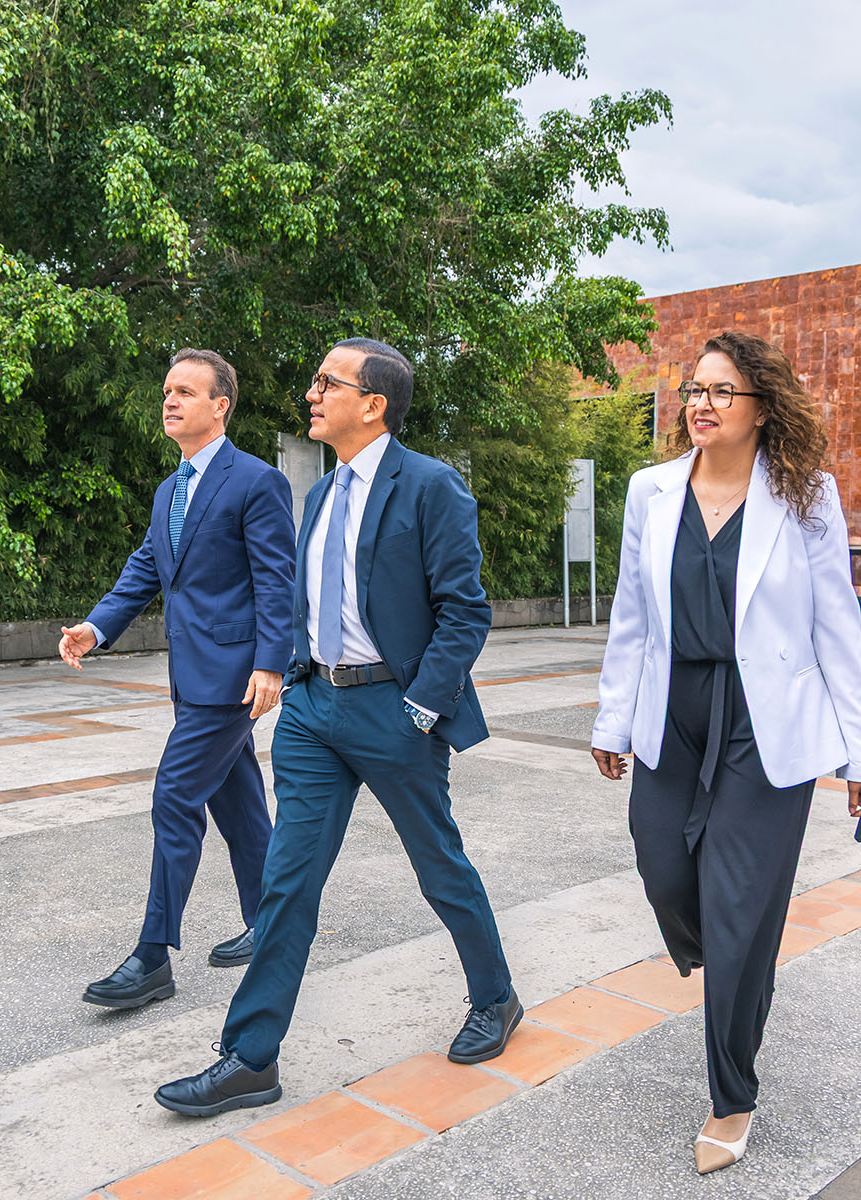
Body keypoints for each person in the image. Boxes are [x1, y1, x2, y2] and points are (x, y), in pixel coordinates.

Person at [153, 337, 518, 1117]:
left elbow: (465, 610)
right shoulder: (315, 495)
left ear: (374, 403)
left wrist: (421, 707)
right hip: (315, 713)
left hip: (395, 711)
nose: (311, 393)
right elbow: (298, 597)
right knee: (287, 886)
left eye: (327, 381)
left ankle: (496, 996)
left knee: (439, 868)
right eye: (315, 379)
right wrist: (291, 670)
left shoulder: (431, 487)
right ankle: (251, 1058)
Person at [589, 331, 861, 1176]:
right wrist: (614, 721)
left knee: (740, 909)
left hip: (768, 723)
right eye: (695, 389)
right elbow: (632, 616)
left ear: (763, 408)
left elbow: (837, 627)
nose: (702, 404)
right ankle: (732, 958)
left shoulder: (805, 495)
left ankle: (731, 1096)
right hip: (672, 711)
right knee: (664, 871)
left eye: (723, 392)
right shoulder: (651, 491)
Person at [58, 349, 294, 1009]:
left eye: (186, 391)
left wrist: (273, 662)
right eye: (167, 390)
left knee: (174, 799)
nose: (170, 400)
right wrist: (96, 628)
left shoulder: (255, 481)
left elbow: (279, 579)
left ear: (220, 406)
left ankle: (153, 957)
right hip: (191, 677)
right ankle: (272, 922)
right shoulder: (171, 489)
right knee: (240, 807)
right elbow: (146, 567)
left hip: (233, 682)